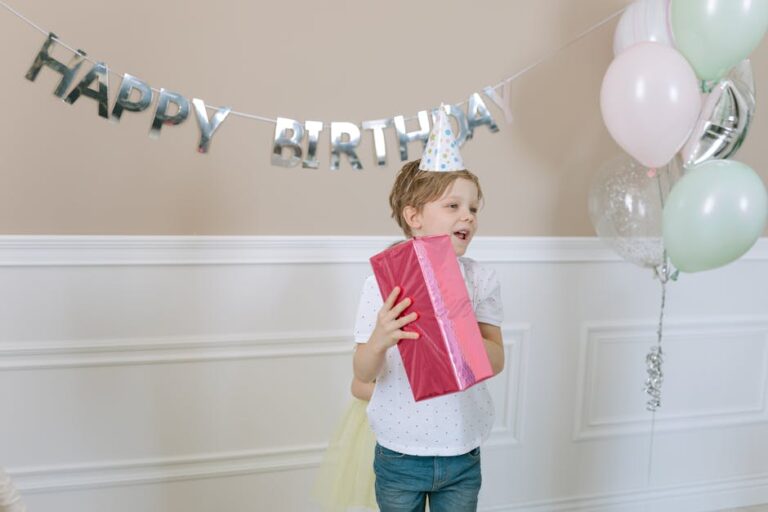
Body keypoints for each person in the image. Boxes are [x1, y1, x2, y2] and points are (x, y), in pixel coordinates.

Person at [353, 158, 505, 512]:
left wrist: (457, 323)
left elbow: (496, 360)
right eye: (453, 206)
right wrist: (379, 339)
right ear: (414, 216)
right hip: (399, 453)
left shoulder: (480, 280)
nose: (468, 216)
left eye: (473, 208)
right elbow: (362, 373)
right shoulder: (380, 285)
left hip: (462, 451)